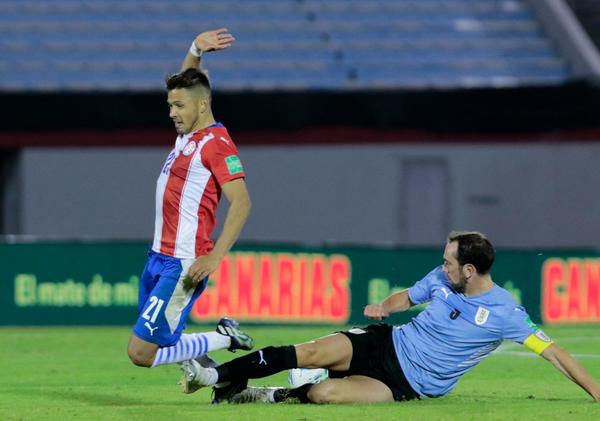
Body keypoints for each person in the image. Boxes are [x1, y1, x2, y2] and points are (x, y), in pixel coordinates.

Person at [180, 231, 600, 404]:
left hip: (407, 383)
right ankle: (218, 376)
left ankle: (268, 395)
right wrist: (387, 306)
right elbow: (407, 296)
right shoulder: (441, 277)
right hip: (387, 341)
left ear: (469, 270)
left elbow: (556, 354)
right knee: (308, 352)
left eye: (450, 262)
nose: (443, 266)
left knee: (327, 395)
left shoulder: (507, 313)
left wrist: (597, 393)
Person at [127, 29, 255, 372]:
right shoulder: (188, 136)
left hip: (183, 262)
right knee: (158, 341)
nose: (171, 112)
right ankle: (214, 371)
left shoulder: (216, 143)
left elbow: (242, 203)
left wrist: (214, 257)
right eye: (169, 105)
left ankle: (225, 339)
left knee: (141, 352)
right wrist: (196, 48)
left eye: (178, 106)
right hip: (158, 256)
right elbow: (189, 83)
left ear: (202, 106)